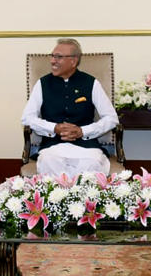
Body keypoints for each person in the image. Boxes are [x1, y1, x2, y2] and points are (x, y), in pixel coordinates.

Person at [21, 38, 119, 177]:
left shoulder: (91, 83)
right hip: (53, 147)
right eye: (52, 56)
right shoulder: (42, 84)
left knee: (92, 162)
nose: (52, 61)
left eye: (58, 57)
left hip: (86, 147)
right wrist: (54, 128)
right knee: (49, 161)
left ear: (73, 61)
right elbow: (27, 118)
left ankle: (84, 199)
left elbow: (111, 118)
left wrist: (83, 131)